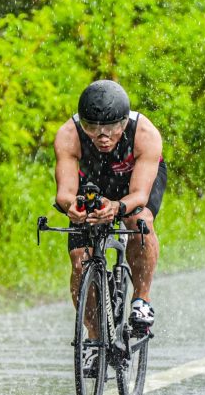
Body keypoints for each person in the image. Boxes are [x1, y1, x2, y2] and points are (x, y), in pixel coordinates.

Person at [53, 79, 166, 366]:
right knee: (80, 260)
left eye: (112, 129)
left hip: (133, 182)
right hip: (93, 181)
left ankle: (141, 300)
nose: (103, 137)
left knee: (139, 221)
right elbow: (65, 192)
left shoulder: (145, 134)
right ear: (83, 125)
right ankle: (93, 338)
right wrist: (72, 208)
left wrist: (117, 207)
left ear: (124, 122)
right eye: (93, 129)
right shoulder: (69, 134)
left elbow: (140, 195)